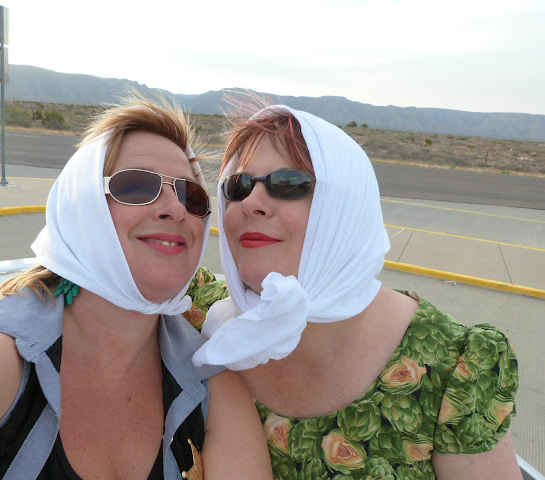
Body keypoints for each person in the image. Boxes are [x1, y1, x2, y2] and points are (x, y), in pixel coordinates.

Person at [0, 95, 272, 479]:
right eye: (135, 186)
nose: (176, 209)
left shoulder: (213, 387)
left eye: (191, 196)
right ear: (80, 207)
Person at [191, 102, 521, 479]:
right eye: (238, 186)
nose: (250, 203)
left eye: (289, 184)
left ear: (346, 208)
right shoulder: (201, 315)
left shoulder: (453, 366)